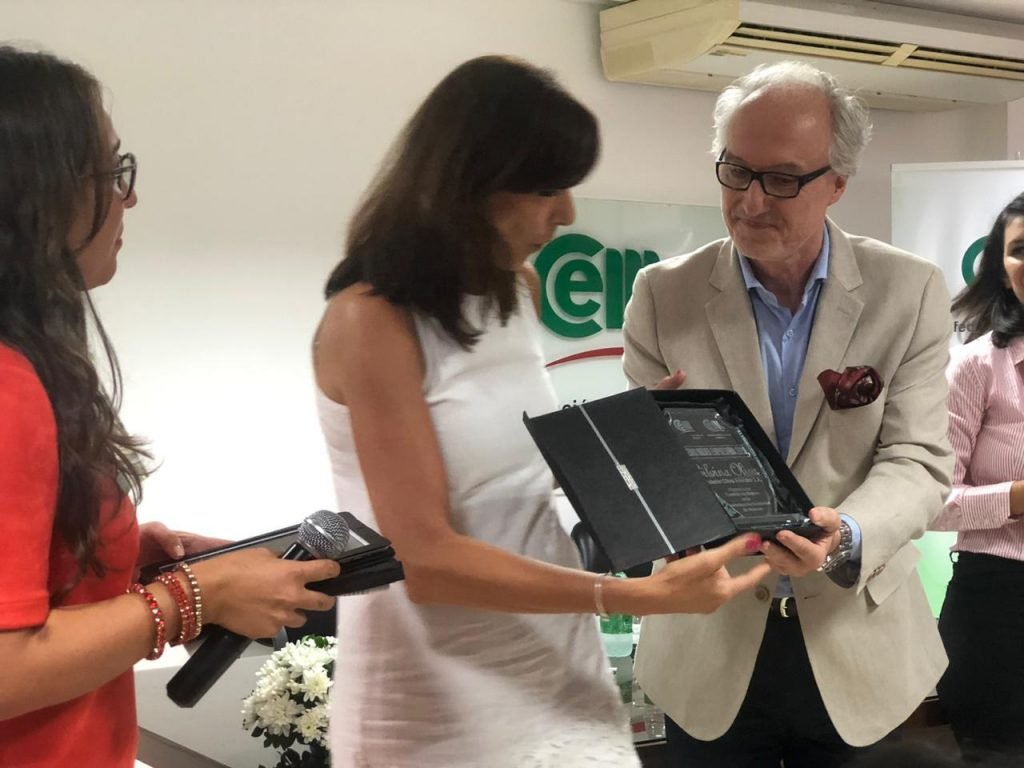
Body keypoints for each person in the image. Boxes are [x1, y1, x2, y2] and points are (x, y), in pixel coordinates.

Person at [312, 54, 771, 768]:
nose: (567, 213)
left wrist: (625, 429)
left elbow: (511, 468)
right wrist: (635, 597)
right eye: (547, 189)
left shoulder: (515, 288)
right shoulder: (370, 321)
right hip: (437, 694)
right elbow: (424, 559)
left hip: (553, 657)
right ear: (469, 184)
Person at [0, 46, 342, 768]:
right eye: (110, 173)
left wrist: (110, 562)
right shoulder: (8, 386)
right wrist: (193, 597)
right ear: (34, 192)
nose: (127, 200)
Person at [622, 60, 953, 766]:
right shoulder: (662, 294)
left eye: (781, 179)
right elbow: (645, 474)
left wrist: (848, 534)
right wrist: (646, 449)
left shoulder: (909, 289)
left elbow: (918, 459)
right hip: (705, 646)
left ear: (838, 182)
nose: (750, 202)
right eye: (736, 171)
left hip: (857, 643)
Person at [931, 191, 1024, 763]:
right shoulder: (974, 366)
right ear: (1000, 266)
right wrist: (1017, 497)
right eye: (1020, 249)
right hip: (999, 608)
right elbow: (932, 500)